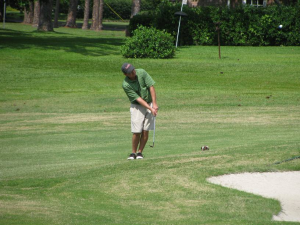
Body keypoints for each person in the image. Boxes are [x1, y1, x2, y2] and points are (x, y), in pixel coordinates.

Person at [121, 63, 158, 160]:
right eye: (130, 72)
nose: (133, 72)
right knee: (136, 131)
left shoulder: (141, 72)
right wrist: (150, 108)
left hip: (150, 103)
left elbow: (151, 87)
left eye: (133, 70)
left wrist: (154, 104)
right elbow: (138, 99)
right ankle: (133, 153)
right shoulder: (126, 84)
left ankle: (140, 152)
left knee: (145, 130)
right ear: (126, 74)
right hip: (137, 106)